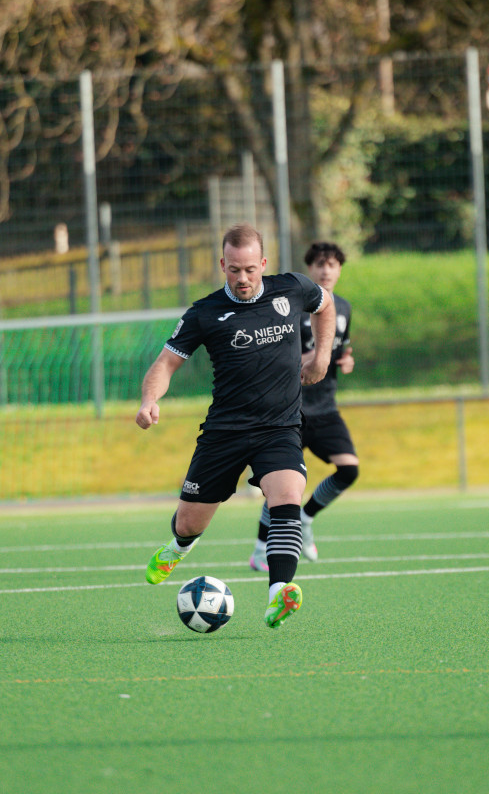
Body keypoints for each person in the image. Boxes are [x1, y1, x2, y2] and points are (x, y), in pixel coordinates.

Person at [136, 224, 335, 629]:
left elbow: (326, 305)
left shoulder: (293, 289)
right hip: (225, 432)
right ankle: (177, 547)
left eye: (250, 269)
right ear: (222, 265)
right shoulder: (204, 313)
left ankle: (278, 592)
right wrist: (149, 400)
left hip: (279, 427)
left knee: (288, 495)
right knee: (190, 523)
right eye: (233, 270)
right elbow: (166, 363)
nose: (242, 279)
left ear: (263, 264)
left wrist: (320, 357)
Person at [249, 241, 358, 571]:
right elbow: (282, 359)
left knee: (349, 469)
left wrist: (346, 360)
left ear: (339, 270)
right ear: (309, 269)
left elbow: (342, 348)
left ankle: (307, 518)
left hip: (324, 407)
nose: (326, 270)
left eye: (333, 264)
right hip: (289, 409)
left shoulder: (344, 308)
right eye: (319, 264)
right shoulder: (291, 308)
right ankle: (259, 549)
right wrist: (317, 356)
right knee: (282, 485)